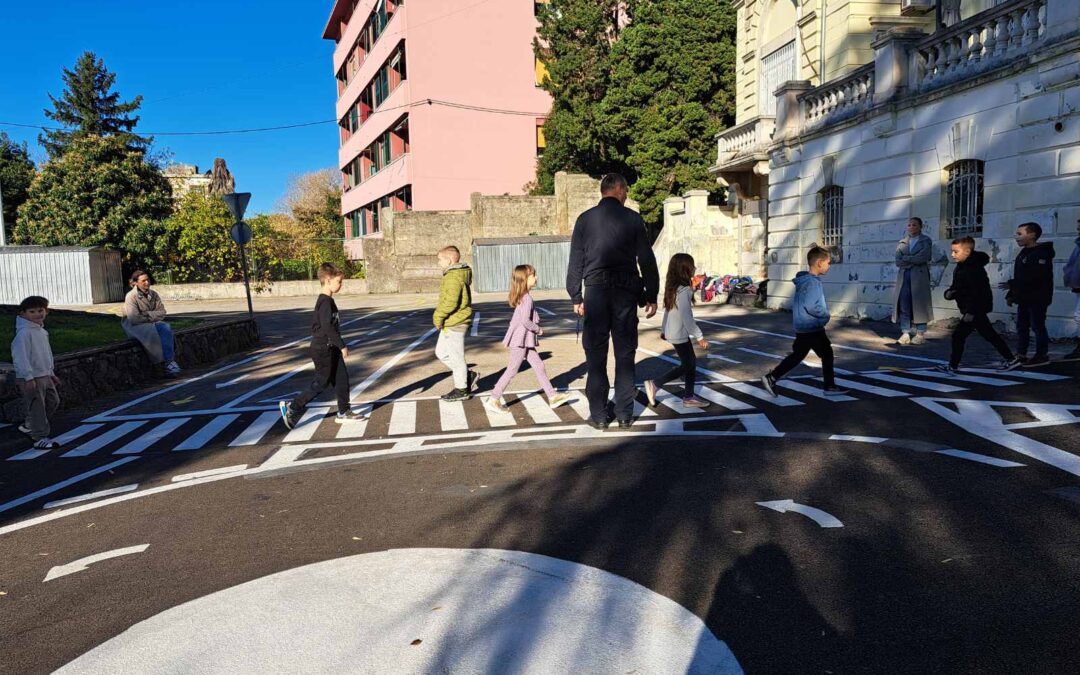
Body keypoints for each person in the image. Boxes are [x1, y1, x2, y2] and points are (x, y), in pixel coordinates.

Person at [566, 173, 659, 430]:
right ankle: (625, 415)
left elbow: (576, 261)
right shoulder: (632, 219)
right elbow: (646, 259)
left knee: (595, 356)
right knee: (625, 355)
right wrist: (651, 294)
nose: (627, 194)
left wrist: (575, 295)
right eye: (626, 189)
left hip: (595, 291)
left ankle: (599, 415)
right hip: (625, 293)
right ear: (618, 189)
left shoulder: (584, 220)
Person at [279, 263, 362, 429]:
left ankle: (344, 412)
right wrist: (342, 345)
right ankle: (292, 407)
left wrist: (337, 346)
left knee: (342, 380)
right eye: (339, 281)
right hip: (323, 348)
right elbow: (327, 326)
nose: (341, 285)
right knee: (320, 383)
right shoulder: (325, 302)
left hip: (330, 347)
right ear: (328, 280)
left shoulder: (328, 300)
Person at [761, 247, 849, 397]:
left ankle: (772, 377)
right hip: (812, 326)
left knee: (802, 355)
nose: (829, 265)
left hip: (804, 326)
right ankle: (829, 387)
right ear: (819, 263)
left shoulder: (804, 280)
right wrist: (825, 315)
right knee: (825, 354)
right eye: (828, 262)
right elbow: (810, 305)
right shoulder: (813, 283)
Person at [485, 264, 572, 414]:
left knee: (538, 365)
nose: (536, 277)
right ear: (525, 279)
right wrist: (538, 329)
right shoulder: (527, 299)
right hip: (521, 340)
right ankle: (494, 398)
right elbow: (525, 321)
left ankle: (552, 396)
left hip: (524, 340)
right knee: (512, 370)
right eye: (533, 275)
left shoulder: (524, 297)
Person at [937, 237, 1021, 374]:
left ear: (967, 251)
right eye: (952, 251)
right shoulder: (962, 266)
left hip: (974, 310)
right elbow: (958, 287)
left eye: (955, 252)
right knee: (988, 335)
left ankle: (953, 366)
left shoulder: (973, 268)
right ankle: (1010, 359)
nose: (952, 255)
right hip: (972, 309)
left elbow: (979, 292)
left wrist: (971, 312)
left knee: (960, 336)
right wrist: (949, 294)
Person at [643, 253, 709, 409]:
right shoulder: (684, 290)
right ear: (685, 269)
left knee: (688, 364)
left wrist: (664, 329)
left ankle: (688, 396)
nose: (695, 268)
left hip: (672, 332)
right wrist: (700, 336)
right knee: (688, 365)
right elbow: (687, 317)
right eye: (692, 265)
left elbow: (668, 310)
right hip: (679, 333)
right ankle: (657, 384)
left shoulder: (674, 288)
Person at [1001, 222, 1055, 366]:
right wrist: (1012, 294)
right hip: (1024, 298)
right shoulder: (1023, 253)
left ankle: (1041, 355)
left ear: (1032, 235)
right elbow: (1020, 276)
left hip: (1038, 298)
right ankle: (1021, 354)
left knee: (1037, 325)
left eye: (1020, 234)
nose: (1016, 237)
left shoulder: (1041, 254)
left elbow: (1035, 277)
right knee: (1022, 326)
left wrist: (1012, 284)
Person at [12, 296, 62, 450]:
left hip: (44, 374)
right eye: (32, 311)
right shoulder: (24, 334)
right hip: (31, 377)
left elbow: (46, 353)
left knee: (53, 402)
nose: (37, 314)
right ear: (23, 314)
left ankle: (30, 425)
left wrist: (51, 372)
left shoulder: (41, 331)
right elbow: (21, 357)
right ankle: (39, 437)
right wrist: (28, 377)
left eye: (40, 310)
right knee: (37, 407)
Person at [433, 245, 477, 402]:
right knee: (441, 352)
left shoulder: (453, 276)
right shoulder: (454, 274)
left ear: (449, 260)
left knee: (456, 357)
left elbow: (450, 302)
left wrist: (437, 317)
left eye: (440, 259)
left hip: (455, 322)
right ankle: (466, 375)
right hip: (451, 322)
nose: (438, 263)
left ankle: (462, 389)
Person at [122, 270, 181, 376]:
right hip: (134, 326)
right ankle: (168, 363)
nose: (147, 282)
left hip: (148, 322)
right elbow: (134, 318)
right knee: (162, 328)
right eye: (143, 280)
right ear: (136, 283)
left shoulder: (154, 294)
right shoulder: (131, 296)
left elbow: (162, 312)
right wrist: (153, 316)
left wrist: (147, 314)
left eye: (148, 280)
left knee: (164, 327)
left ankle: (169, 362)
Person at [893, 217, 934, 345]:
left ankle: (920, 332)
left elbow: (924, 257)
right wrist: (912, 259)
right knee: (904, 302)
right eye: (909, 225)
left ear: (920, 226)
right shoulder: (902, 242)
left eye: (914, 225)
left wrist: (907, 259)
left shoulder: (925, 240)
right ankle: (905, 332)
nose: (911, 227)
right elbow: (898, 261)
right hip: (905, 275)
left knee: (919, 304)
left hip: (919, 276)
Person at [1063, 218, 1080, 360]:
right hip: (1077, 286)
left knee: (1079, 316)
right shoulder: (1078, 245)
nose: (1078, 230)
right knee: (1078, 316)